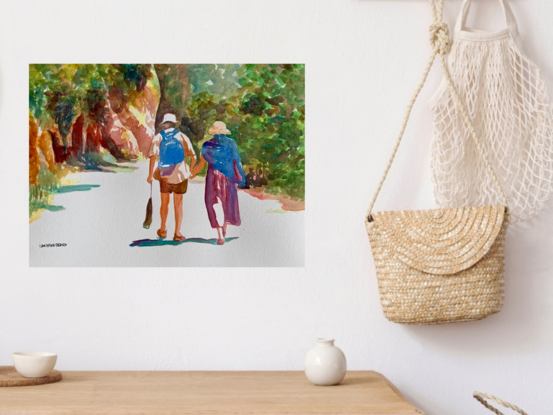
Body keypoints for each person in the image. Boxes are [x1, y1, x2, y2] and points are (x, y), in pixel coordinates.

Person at [190, 121, 246, 245]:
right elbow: (237, 161)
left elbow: (201, 165)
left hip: (213, 177)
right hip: (228, 177)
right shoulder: (231, 143)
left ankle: (220, 235)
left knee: (214, 202)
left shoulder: (207, 145)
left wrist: (192, 173)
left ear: (214, 132)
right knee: (227, 202)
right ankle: (224, 227)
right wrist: (241, 175)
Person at [147, 113, 196, 242]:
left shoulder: (159, 137)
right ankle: (177, 233)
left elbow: (153, 157)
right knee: (178, 205)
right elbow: (193, 156)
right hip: (180, 175)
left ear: (164, 124)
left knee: (164, 203)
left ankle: (163, 229)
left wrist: (150, 175)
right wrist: (190, 171)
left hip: (165, 175)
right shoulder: (182, 137)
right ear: (175, 124)